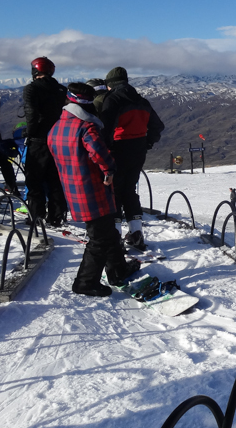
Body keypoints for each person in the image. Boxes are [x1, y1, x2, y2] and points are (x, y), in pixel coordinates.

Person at [48, 83, 139, 296]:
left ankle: (118, 270)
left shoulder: (56, 127)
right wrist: (109, 171)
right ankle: (85, 282)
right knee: (100, 238)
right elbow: (98, 152)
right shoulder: (86, 127)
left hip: (72, 188)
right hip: (92, 188)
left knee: (107, 231)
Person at [100, 67, 164, 251]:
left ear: (110, 85)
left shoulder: (112, 100)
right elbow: (157, 126)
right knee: (129, 190)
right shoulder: (141, 101)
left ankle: (115, 237)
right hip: (138, 151)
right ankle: (136, 233)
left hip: (117, 150)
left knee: (114, 192)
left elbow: (105, 128)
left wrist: (106, 148)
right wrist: (147, 143)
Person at [23, 56, 68, 226]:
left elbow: (31, 114)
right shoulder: (61, 89)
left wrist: (29, 133)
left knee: (34, 179)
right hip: (58, 139)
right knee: (55, 179)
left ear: (35, 71)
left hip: (39, 139)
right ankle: (57, 216)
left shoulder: (31, 89)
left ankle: (36, 215)